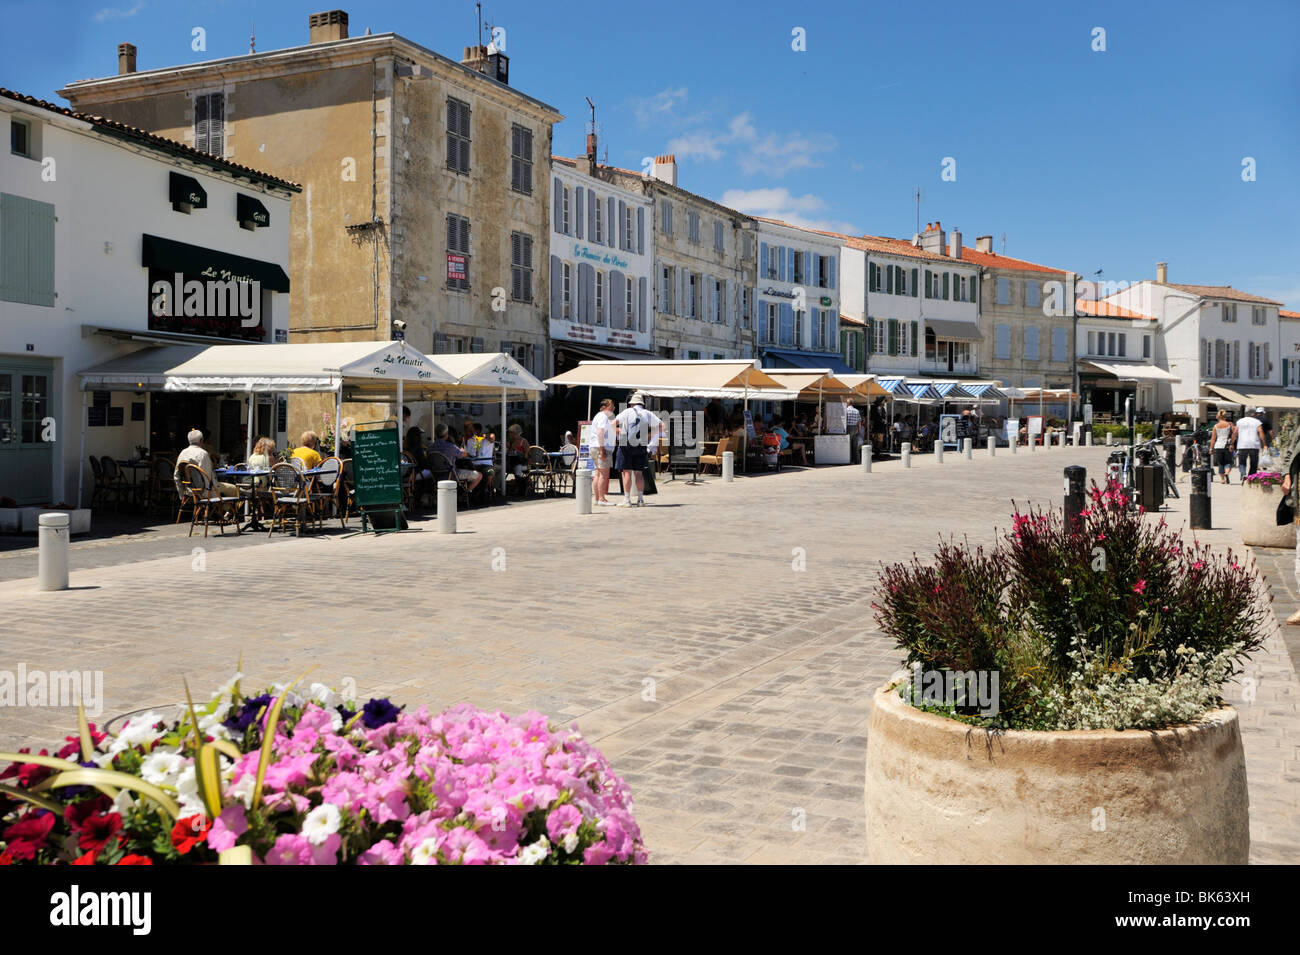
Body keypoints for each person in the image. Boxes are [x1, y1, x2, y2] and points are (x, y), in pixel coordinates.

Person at [175, 429, 240, 517]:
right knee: (236, 490)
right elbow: (207, 476)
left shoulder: (183, 453)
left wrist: (182, 493)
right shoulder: (202, 453)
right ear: (201, 440)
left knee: (220, 487)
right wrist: (208, 494)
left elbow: (176, 476)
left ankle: (226, 511)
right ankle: (230, 512)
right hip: (204, 490)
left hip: (190, 490)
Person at [613, 392, 663, 506]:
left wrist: (619, 432)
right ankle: (640, 499)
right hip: (641, 445)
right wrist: (648, 436)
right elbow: (662, 426)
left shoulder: (627, 412)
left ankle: (627, 500)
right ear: (642, 404)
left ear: (632, 404)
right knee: (638, 473)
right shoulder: (648, 414)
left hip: (626, 445)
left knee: (627, 473)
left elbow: (612, 424)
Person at [429, 423, 482, 493]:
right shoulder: (450, 446)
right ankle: (465, 493)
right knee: (479, 475)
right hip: (451, 474)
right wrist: (455, 444)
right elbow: (464, 454)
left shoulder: (430, 447)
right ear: (447, 434)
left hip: (435, 475)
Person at [588, 398, 617, 506]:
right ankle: (601, 499)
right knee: (603, 475)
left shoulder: (598, 416)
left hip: (594, 447)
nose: (613, 408)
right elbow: (600, 433)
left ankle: (596, 498)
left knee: (597, 474)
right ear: (604, 407)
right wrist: (602, 450)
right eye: (611, 405)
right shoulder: (604, 416)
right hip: (600, 447)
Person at [1232, 408, 1268, 480]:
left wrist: (1231, 443)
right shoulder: (1257, 422)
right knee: (1254, 463)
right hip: (1254, 445)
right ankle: (1251, 477)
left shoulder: (1240, 421)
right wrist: (1264, 444)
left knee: (1242, 461)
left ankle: (1243, 474)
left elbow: (1235, 432)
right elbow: (1261, 432)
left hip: (1242, 444)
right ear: (1253, 414)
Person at [1211, 410, 1235, 484]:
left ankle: (1222, 479)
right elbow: (1234, 434)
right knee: (1228, 461)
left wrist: (1211, 448)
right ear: (1225, 416)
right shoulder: (1229, 424)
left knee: (1220, 463)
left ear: (1218, 416)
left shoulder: (1215, 426)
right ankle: (1227, 473)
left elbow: (1213, 439)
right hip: (1227, 445)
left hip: (1218, 446)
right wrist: (1232, 443)